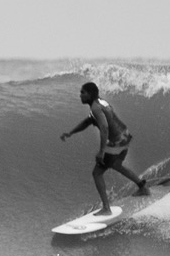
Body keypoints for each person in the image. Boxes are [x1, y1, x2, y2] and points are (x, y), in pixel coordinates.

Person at [60, 81, 150, 215]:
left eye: (82, 92)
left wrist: (102, 151)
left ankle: (106, 208)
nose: (80, 95)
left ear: (89, 94)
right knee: (117, 165)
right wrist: (71, 132)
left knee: (96, 173)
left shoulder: (95, 108)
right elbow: (88, 121)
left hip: (116, 141)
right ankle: (142, 187)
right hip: (125, 135)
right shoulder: (101, 102)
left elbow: (104, 127)